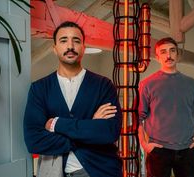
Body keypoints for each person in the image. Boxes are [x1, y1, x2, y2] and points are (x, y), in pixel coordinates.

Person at [23, 21, 122, 177]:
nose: (70, 46)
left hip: (100, 171)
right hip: (54, 172)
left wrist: (57, 124)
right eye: (63, 40)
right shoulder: (40, 88)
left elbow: (109, 132)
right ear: (54, 49)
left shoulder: (103, 85)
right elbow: (33, 140)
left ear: (83, 47)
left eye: (76, 41)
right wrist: (90, 126)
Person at [138, 37, 194, 177]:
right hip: (158, 151)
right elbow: (138, 117)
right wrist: (145, 145)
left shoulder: (191, 83)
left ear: (177, 54)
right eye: (163, 52)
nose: (168, 55)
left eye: (172, 51)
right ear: (157, 57)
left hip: (187, 149)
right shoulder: (147, 84)